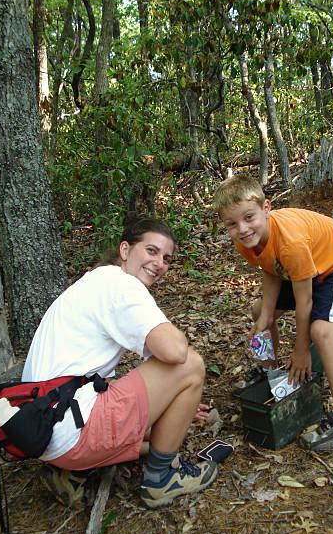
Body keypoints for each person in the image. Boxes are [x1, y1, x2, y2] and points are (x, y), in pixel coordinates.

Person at [22, 217, 218, 508]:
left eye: (167, 258)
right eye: (151, 251)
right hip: (72, 433)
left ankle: (69, 473)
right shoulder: (121, 285)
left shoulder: (95, 280)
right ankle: (161, 479)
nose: (160, 263)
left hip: (39, 430)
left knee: (154, 416)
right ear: (125, 250)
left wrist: (172, 405)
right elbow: (175, 352)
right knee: (190, 365)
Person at [213, 174, 333, 452]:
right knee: (259, 311)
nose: (242, 228)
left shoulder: (291, 243)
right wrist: (266, 316)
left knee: (321, 332)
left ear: (266, 208)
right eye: (232, 224)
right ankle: (268, 369)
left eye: (249, 217)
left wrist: (301, 351)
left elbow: (305, 301)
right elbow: (271, 269)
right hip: (303, 269)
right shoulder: (246, 240)